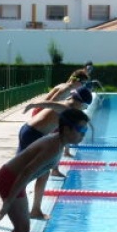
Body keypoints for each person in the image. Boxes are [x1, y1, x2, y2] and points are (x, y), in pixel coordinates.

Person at [0, 107, 90, 232]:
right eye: (81, 130)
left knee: (22, 228)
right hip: (11, 179)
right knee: (22, 228)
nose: (83, 135)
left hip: (14, 179)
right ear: (67, 129)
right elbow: (27, 171)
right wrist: (8, 201)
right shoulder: (53, 146)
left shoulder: (59, 142)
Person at [21, 84, 93, 218]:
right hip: (33, 134)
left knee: (37, 171)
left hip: (29, 131)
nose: (84, 110)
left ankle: (29, 206)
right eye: (85, 107)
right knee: (35, 172)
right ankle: (32, 208)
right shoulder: (66, 107)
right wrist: (32, 105)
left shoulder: (68, 107)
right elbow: (50, 104)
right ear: (80, 102)